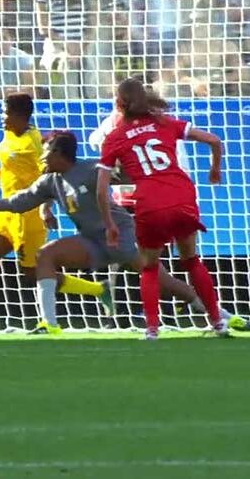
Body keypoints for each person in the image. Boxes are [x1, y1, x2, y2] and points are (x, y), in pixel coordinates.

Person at [0, 130, 244, 334]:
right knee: (46, 256)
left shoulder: (93, 170)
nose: (42, 158)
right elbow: (15, 203)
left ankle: (220, 316)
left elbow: (129, 175)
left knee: (166, 284)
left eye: (47, 152)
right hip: (92, 242)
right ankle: (50, 325)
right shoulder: (49, 181)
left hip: (122, 237)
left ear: (61, 154)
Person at [0, 94, 112, 335]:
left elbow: (48, 175)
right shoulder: (9, 134)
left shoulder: (34, 142)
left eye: (6, 113)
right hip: (6, 213)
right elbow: (13, 164)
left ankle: (99, 290)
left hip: (28, 215)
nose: (2, 118)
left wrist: (45, 208)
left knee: (31, 273)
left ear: (20, 116)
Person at [97, 78, 228, 340]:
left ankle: (152, 329)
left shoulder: (114, 137)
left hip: (150, 202)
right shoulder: (165, 122)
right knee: (191, 260)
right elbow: (214, 140)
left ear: (119, 104)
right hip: (181, 194)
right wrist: (215, 170)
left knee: (149, 266)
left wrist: (110, 224)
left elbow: (101, 189)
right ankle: (217, 322)